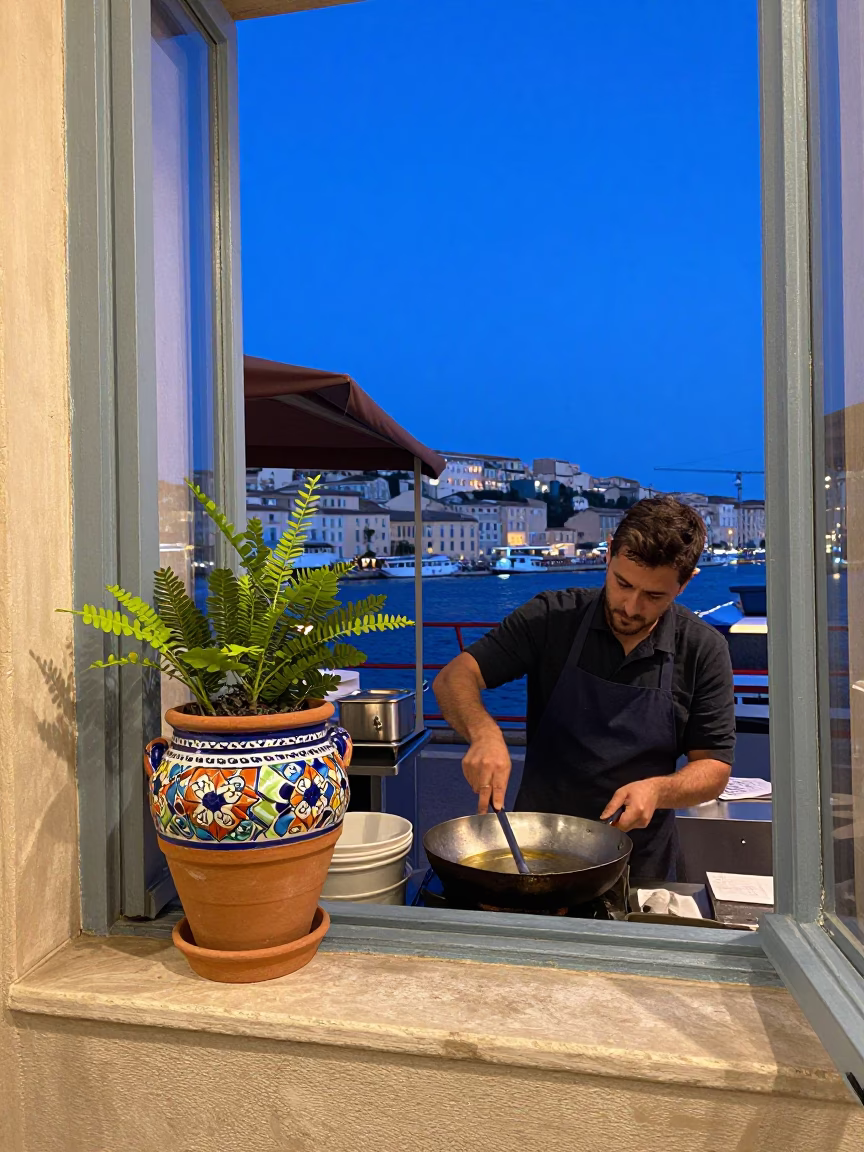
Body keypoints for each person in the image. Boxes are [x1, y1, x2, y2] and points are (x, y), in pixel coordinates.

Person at [433, 496, 735, 881]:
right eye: (622, 583)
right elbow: (455, 676)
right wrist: (484, 732)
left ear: (686, 582)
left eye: (654, 596)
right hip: (536, 850)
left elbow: (713, 766)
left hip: (638, 861)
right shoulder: (552, 617)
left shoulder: (703, 648)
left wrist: (659, 790)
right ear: (608, 553)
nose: (630, 605)